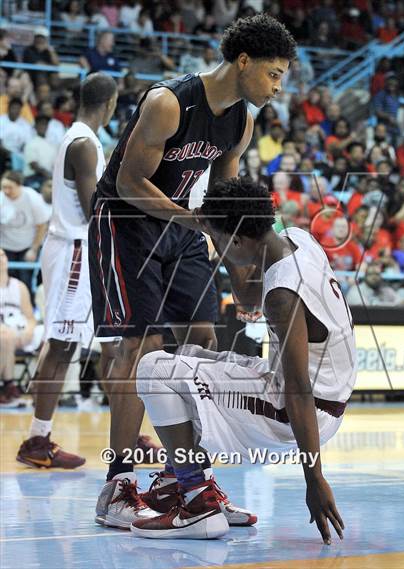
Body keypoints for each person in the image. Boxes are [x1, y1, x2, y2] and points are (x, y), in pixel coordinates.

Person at [89, 14, 297, 529]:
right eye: (273, 74)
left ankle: (182, 479)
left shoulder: (240, 121)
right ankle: (118, 485)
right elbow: (132, 182)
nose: (277, 87)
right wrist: (195, 219)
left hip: (181, 223)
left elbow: (225, 206)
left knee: (200, 341)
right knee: (141, 348)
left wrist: (242, 274)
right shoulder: (168, 102)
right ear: (243, 61)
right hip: (125, 220)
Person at [132, 177, 355, 541]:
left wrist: (314, 478)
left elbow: (298, 388)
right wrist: (226, 246)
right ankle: (186, 480)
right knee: (187, 357)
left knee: (153, 371)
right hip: (318, 394)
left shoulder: (284, 295)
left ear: (236, 238)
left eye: (218, 242)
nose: (216, 251)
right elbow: (249, 302)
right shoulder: (299, 238)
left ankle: (197, 502)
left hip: (305, 407)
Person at [16, 73, 118, 469]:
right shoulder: (82, 143)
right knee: (60, 345)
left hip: (82, 251)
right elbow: (96, 210)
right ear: (108, 105)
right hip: (75, 251)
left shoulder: (82, 139)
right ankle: (37, 440)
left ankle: (129, 434)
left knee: (114, 342)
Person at [0, 170, 50, 292]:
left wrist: (33, 249)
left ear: (19, 185)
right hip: (6, 246)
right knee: (6, 280)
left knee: (25, 281)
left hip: (27, 246)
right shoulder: (1, 198)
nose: (6, 191)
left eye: (10, 187)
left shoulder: (32, 197)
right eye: (3, 187)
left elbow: (42, 225)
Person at [0, 248, 37, 407]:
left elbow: (30, 317)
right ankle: (9, 386)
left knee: (51, 340)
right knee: (6, 337)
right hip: (4, 333)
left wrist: (29, 330)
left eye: (2, 255)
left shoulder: (19, 286)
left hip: (20, 331)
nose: (0, 259)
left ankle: (38, 387)